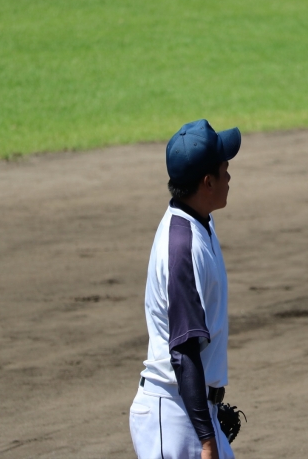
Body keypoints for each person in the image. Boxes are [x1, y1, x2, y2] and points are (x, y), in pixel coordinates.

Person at [129, 119, 241, 459]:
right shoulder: (183, 248)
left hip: (189, 408)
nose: (230, 176)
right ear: (207, 182)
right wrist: (206, 440)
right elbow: (184, 349)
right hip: (174, 415)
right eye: (224, 169)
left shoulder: (199, 219)